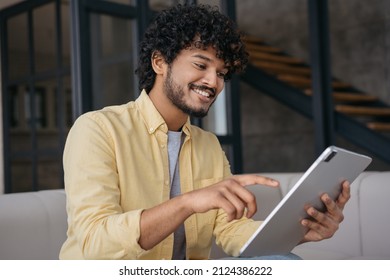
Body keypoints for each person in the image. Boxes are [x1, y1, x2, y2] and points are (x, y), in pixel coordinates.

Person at [59, 4, 350, 260]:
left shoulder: (207, 145)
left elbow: (230, 228)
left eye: (222, 73)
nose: (213, 81)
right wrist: (186, 203)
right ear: (159, 62)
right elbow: (93, 243)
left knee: (284, 262)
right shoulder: (97, 129)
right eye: (201, 64)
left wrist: (301, 230)